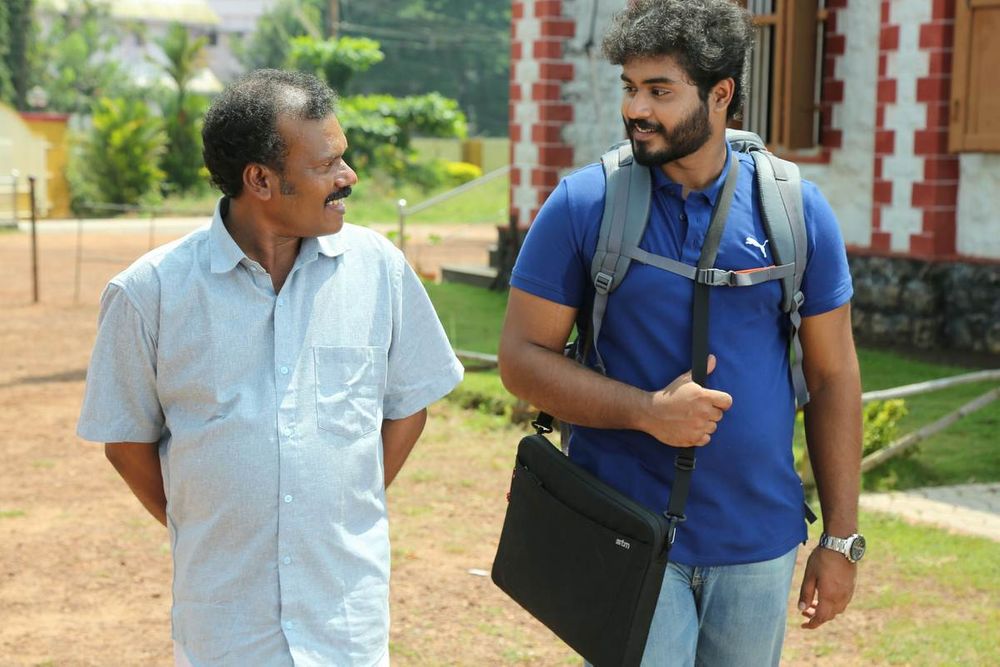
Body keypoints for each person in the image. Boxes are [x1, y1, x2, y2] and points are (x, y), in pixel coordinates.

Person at [498, 1, 863, 665]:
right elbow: (521, 360)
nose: (636, 109)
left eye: (660, 91)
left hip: (759, 543)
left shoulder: (795, 210)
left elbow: (833, 376)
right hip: (624, 530)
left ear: (720, 95)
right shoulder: (584, 204)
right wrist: (647, 411)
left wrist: (840, 539)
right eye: (630, 88)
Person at [77, 69, 463, 666]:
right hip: (226, 629)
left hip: (344, 623)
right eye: (326, 164)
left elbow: (408, 406)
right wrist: (208, 523)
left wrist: (335, 508)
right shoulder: (149, 294)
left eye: (343, 158)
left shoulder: (378, 271)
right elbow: (127, 443)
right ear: (259, 179)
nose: (348, 177)